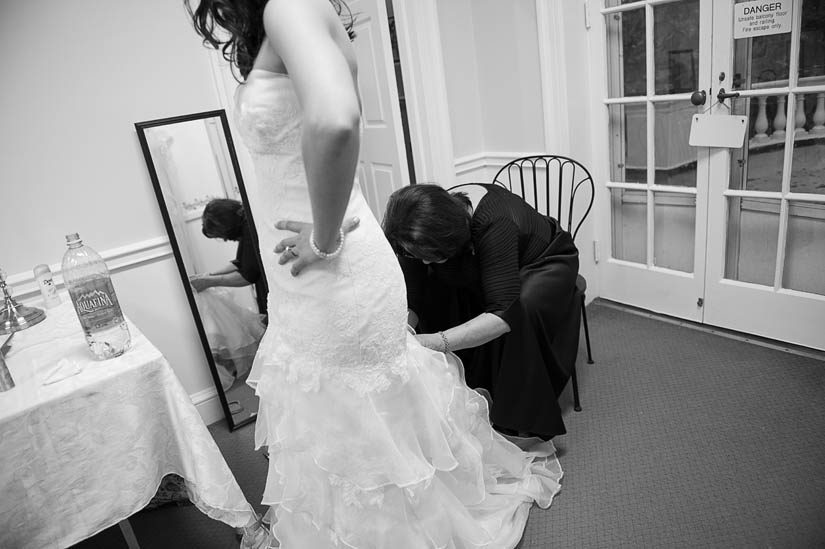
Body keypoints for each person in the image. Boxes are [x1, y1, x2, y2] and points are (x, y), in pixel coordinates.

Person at [187, 1, 562, 547]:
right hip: (309, 276)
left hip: (330, 271)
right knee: (342, 412)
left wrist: (323, 236)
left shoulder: (289, 6)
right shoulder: (296, 14)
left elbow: (338, 120)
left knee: (356, 410)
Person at [383, 184, 581, 441]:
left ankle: (516, 417)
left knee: (524, 307)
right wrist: (405, 334)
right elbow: (415, 295)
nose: (425, 262)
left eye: (431, 256)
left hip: (543, 262)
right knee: (437, 286)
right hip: (488, 263)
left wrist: (436, 342)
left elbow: (502, 313)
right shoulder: (411, 229)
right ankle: (465, 390)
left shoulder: (496, 221)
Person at [189, 198, 268, 315]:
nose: (225, 239)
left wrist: (208, 282)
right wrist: (210, 275)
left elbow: (248, 276)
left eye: (221, 235)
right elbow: (240, 263)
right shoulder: (246, 220)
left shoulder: (249, 228)